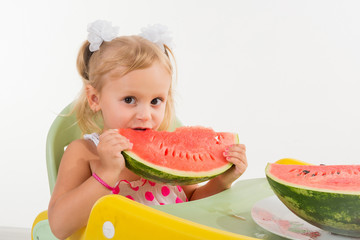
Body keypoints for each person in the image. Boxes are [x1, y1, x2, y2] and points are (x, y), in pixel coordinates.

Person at [48, 20, 248, 239]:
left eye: (156, 101)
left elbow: (192, 204)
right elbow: (59, 226)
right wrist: (105, 173)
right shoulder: (84, 153)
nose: (145, 114)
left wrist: (221, 181)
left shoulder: (170, 155)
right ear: (95, 98)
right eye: (130, 99)